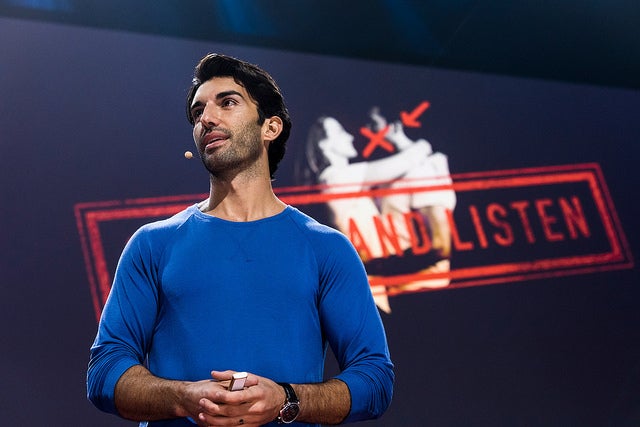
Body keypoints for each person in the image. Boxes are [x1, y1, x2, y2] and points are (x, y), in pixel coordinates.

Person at [87, 53, 394, 427]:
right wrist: (185, 397)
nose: (207, 119)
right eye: (198, 112)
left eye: (227, 102)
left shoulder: (327, 249)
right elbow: (104, 372)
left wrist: (287, 399)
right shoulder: (152, 244)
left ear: (271, 127)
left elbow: (375, 378)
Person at [302, 110, 456, 313]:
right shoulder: (333, 178)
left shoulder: (352, 184)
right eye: (340, 132)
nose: (350, 136)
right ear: (323, 145)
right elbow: (407, 161)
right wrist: (417, 143)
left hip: (384, 292)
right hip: (373, 294)